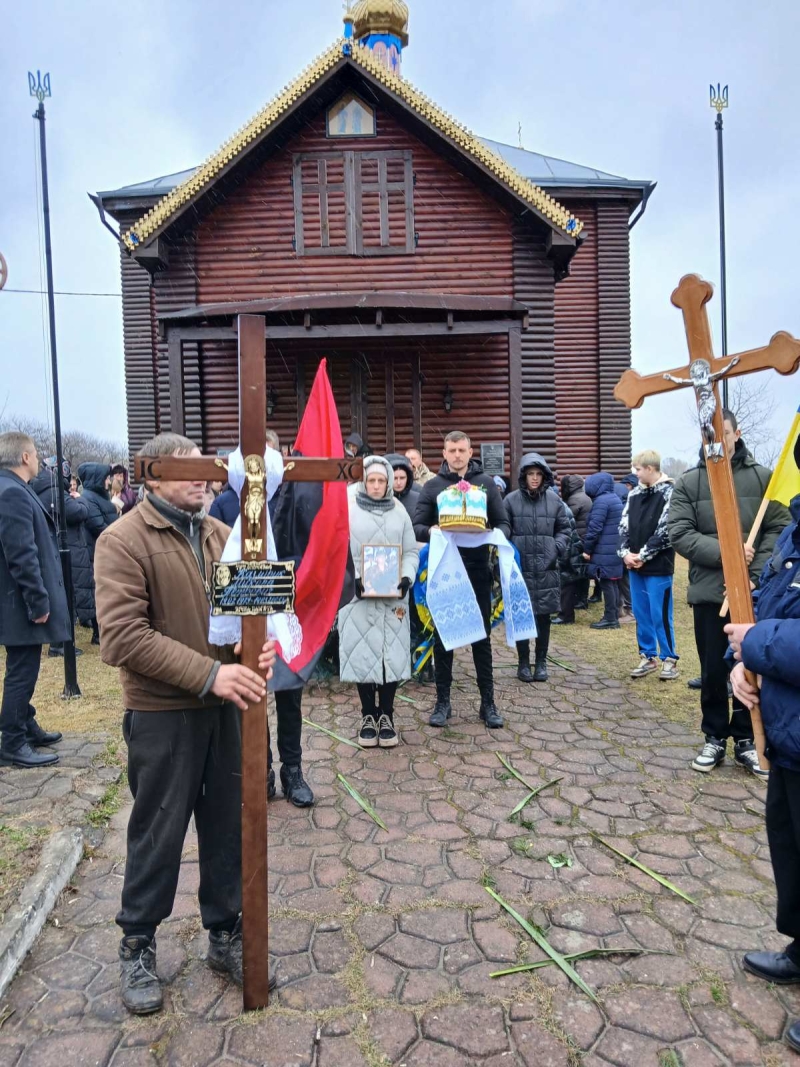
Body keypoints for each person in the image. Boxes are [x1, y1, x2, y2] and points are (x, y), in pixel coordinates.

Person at [94, 432, 278, 1015]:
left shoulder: (224, 536)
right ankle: (138, 942)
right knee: (159, 831)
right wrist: (210, 675)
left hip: (226, 713)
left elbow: (251, 617)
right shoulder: (121, 540)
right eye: (189, 467)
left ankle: (224, 934)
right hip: (162, 715)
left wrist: (260, 652)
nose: (203, 476)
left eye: (207, 466)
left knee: (228, 826)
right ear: (152, 474)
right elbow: (123, 637)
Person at [725, 442, 800, 1054]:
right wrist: (737, 665)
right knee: (791, 848)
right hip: (787, 731)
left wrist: (756, 643)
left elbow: (767, 632)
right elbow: (763, 612)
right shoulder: (794, 534)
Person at [669, 410, 790, 776]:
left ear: (737, 433)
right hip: (711, 592)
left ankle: (747, 739)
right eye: (708, 436)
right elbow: (680, 532)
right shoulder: (690, 482)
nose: (715, 443)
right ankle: (714, 736)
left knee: (750, 663)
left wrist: (752, 573)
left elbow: (779, 528)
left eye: (722, 434)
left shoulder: (763, 479)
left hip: (754, 591)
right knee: (712, 668)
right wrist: (730, 552)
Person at [413, 431, 510, 729]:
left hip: (478, 570)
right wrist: (434, 531)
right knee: (444, 638)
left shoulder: (487, 485)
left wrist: (494, 535)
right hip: (445, 572)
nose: (456, 455)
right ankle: (443, 702)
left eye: (461, 450)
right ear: (443, 453)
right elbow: (416, 526)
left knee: (481, 638)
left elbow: (504, 522)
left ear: (470, 452)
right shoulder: (432, 487)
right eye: (451, 450)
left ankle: (488, 703)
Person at [339, 456, 419, 747]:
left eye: (380, 481)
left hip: (393, 596)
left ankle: (387, 714)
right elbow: (339, 549)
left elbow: (410, 551)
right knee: (362, 652)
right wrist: (354, 578)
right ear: (364, 481)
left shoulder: (398, 511)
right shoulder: (348, 509)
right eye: (371, 480)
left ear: (388, 482)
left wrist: (406, 578)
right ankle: (367, 715)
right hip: (357, 594)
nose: (375, 485)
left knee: (390, 653)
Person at [0, 432, 68, 768]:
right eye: (36, 454)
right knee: (22, 671)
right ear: (25, 457)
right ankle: (12, 741)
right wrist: (38, 602)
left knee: (24, 666)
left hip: (16, 603)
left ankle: (25, 725)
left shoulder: (12, 488)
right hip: (19, 605)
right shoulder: (11, 492)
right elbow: (22, 556)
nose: (40, 459)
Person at [504, 453, 570, 682]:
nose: (534, 478)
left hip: (546, 568)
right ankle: (523, 662)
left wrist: (557, 547)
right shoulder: (511, 500)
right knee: (523, 616)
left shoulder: (554, 502)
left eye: (538, 474)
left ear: (544, 476)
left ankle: (541, 662)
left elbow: (565, 529)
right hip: (520, 568)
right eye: (530, 474)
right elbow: (504, 529)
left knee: (543, 618)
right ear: (523, 476)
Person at [618, 450, 679, 680]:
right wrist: (625, 554)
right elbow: (622, 528)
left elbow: (665, 531)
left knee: (660, 614)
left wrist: (643, 554)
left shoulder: (670, 493)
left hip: (659, 567)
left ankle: (670, 659)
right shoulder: (633, 496)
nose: (635, 473)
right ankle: (648, 656)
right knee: (641, 613)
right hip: (635, 566)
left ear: (650, 469)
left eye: (638, 469)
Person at [32, 459, 94, 658]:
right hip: (64, 549)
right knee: (65, 596)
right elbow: (79, 512)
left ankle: (59, 641)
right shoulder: (56, 492)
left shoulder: (41, 490)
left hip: (51, 548)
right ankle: (59, 644)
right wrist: (79, 498)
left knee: (60, 595)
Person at [77, 462, 118, 644]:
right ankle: (98, 633)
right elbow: (98, 526)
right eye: (106, 478)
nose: (109, 481)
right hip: (95, 551)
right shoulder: (88, 498)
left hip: (104, 550)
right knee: (97, 593)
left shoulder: (99, 496)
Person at [582, 472, 624, 630]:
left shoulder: (602, 501)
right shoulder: (613, 498)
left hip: (605, 550)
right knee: (612, 583)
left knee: (607, 583)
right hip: (613, 549)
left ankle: (610, 618)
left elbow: (595, 528)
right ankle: (612, 616)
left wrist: (587, 549)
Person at [556, 475, 592, 622]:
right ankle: (580, 601)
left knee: (569, 576)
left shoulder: (574, 500)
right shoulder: (583, 497)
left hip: (575, 539)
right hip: (580, 538)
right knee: (579, 574)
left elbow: (567, 520)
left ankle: (569, 610)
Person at [386, 453, 420, 518]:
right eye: (395, 478)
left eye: (402, 478)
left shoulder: (418, 498)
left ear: (408, 478)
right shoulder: (380, 498)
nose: (399, 483)